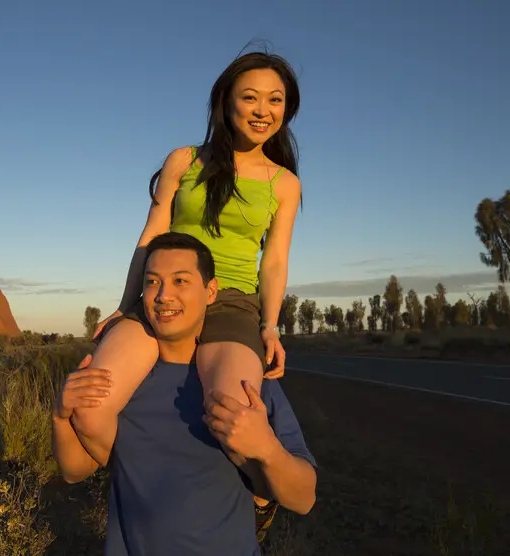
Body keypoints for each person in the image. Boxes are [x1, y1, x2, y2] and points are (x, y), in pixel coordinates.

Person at [72, 50, 306, 476]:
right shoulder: (183, 161)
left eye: (275, 100)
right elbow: (150, 239)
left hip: (231, 301)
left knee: (234, 425)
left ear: (286, 109)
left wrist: (270, 325)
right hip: (166, 293)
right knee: (90, 409)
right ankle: (151, 487)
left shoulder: (285, 184)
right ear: (225, 101)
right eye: (250, 97)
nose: (262, 111)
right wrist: (128, 306)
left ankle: (258, 503)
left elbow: (273, 262)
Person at [54, 232, 317, 554]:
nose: (163, 295)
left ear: (210, 292)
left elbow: (303, 499)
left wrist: (268, 450)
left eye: (180, 281)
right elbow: (73, 471)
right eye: (152, 282)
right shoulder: (120, 385)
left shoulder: (248, 383)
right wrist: (60, 415)